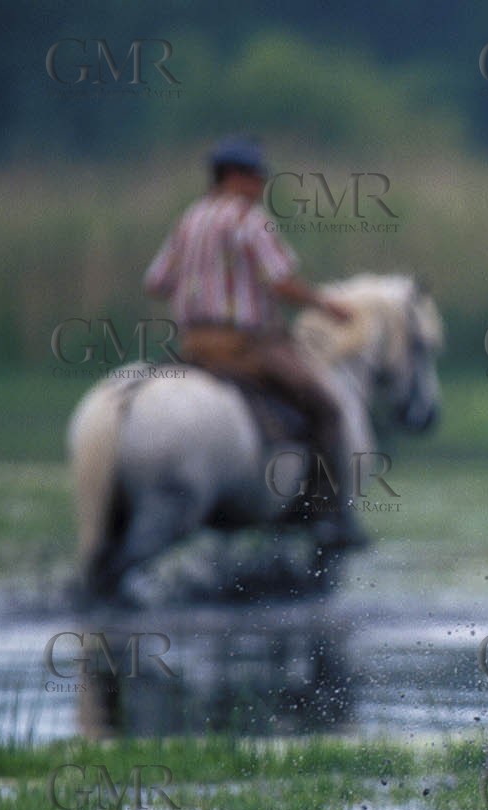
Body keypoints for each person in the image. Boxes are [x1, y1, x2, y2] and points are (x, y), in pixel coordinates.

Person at [143, 134, 365, 548]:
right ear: (232, 176)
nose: (261, 183)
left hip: (194, 346)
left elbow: (156, 283)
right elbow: (281, 282)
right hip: (244, 347)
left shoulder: (190, 218)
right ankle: (328, 513)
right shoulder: (249, 219)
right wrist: (326, 305)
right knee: (326, 408)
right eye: (254, 175)